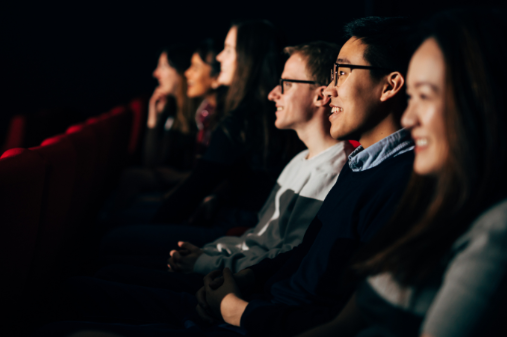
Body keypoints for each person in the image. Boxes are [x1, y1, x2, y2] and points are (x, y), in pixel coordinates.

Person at [32, 16, 418, 337]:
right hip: (254, 300)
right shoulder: (361, 164)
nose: (329, 91)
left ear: (390, 85)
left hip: (256, 318)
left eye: (342, 73)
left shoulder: (397, 181)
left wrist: (233, 307)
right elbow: (300, 254)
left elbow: (334, 314)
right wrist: (243, 283)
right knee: (77, 288)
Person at [298, 8, 507, 337]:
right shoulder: (431, 202)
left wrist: (243, 313)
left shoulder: (497, 231)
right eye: (410, 97)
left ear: (479, 101)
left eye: (423, 96)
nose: (409, 118)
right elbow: (343, 323)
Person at [92, 42, 352, 293]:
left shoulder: (330, 172)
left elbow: (286, 260)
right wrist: (208, 253)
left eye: (286, 84)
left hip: (234, 284)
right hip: (226, 264)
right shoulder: (300, 160)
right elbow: (257, 238)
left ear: (321, 94)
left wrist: (206, 260)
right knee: (110, 263)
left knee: (105, 273)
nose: (273, 93)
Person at [98, 20, 297, 263]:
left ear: (248, 58)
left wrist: (153, 228)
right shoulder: (265, 115)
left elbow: (192, 191)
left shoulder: (239, 121)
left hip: (232, 231)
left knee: (112, 236)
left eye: (229, 50)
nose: (221, 57)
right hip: (240, 225)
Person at [100, 41, 222, 226]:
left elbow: (211, 174)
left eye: (163, 66)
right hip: (180, 190)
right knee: (129, 181)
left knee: (129, 184)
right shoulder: (174, 110)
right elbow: (153, 163)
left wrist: (175, 177)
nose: (155, 73)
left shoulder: (206, 114)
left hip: (190, 195)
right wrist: (153, 121)